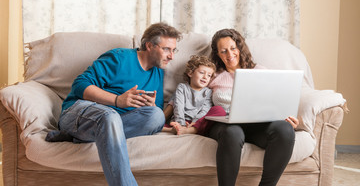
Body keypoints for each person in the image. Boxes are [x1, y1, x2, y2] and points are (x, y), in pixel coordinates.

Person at [48, 22, 182, 186]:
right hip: (77, 112)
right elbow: (80, 84)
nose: (171, 56)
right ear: (149, 45)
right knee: (109, 116)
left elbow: (155, 110)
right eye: (166, 49)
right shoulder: (119, 58)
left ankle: (77, 137)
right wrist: (117, 100)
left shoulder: (158, 71)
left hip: (110, 123)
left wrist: (151, 105)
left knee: (156, 116)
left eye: (174, 50)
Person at [207, 28, 299, 186]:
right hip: (226, 125)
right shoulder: (212, 75)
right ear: (217, 54)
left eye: (233, 48)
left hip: (258, 125)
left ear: (240, 47)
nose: (229, 55)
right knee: (233, 132)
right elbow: (193, 95)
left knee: (285, 129)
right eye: (223, 51)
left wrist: (288, 117)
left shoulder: (261, 71)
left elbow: (277, 101)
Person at [162, 55, 225, 135]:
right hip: (180, 121)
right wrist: (181, 124)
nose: (205, 77)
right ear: (190, 73)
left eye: (209, 75)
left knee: (219, 110)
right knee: (152, 124)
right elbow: (178, 106)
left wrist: (195, 123)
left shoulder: (208, 92)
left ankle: (191, 130)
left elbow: (205, 110)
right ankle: (174, 130)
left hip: (197, 123)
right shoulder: (182, 87)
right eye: (202, 73)